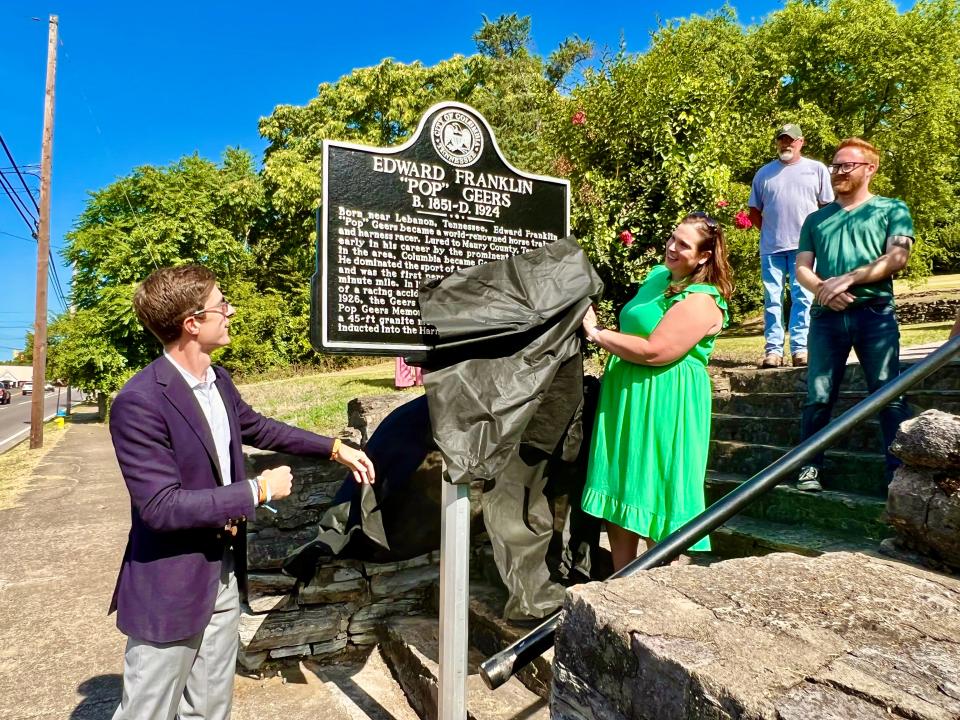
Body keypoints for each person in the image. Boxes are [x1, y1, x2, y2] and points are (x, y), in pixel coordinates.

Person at [108, 264, 375, 720]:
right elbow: (160, 507)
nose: (231, 311)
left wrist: (333, 447)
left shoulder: (218, 380)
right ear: (193, 323)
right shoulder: (139, 402)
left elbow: (258, 428)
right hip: (171, 584)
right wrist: (256, 490)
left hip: (224, 571)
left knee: (211, 706)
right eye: (221, 304)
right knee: (147, 710)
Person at [581, 213, 733, 571]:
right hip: (626, 392)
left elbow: (656, 351)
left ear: (704, 256)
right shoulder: (656, 277)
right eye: (672, 238)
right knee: (621, 479)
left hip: (667, 398)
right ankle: (620, 578)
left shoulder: (703, 300)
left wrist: (597, 333)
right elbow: (636, 325)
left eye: (683, 244)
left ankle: (662, 583)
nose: (672, 247)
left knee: (658, 483)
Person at [794, 138, 914, 493]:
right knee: (817, 396)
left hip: (874, 314)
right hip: (826, 317)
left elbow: (897, 258)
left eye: (847, 166)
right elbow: (802, 267)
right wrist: (822, 290)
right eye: (835, 165)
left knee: (888, 394)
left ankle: (898, 473)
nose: (838, 172)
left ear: (870, 169)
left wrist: (849, 278)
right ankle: (808, 466)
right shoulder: (816, 219)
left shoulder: (893, 209)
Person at [749, 123, 834, 369]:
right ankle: (773, 352)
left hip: (804, 249)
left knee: (803, 298)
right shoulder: (764, 173)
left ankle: (800, 349)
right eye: (782, 140)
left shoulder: (816, 169)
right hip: (771, 249)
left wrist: (818, 238)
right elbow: (754, 211)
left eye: (791, 140)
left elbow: (827, 208)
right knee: (772, 300)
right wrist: (768, 233)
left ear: (801, 142)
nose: (786, 144)